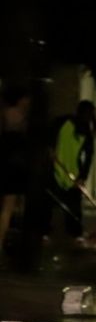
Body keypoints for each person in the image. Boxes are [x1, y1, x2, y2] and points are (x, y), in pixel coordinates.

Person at [48, 100, 96, 238]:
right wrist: (50, 148)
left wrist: (82, 177)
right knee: (47, 209)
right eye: (87, 113)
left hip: (73, 177)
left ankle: (75, 240)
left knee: (74, 215)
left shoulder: (87, 134)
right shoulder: (63, 123)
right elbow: (50, 134)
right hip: (55, 172)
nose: (88, 117)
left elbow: (88, 157)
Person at [0, 85, 31, 249]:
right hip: (13, 164)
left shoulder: (5, 113)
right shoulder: (19, 116)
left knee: (8, 207)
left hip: (9, 161)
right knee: (8, 206)